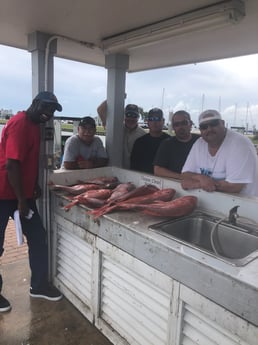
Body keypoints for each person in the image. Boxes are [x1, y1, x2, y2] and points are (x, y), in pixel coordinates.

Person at [0, 91, 63, 313]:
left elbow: (30, 161)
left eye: (53, 111)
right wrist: (21, 200)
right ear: (35, 104)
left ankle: (38, 286)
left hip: (22, 194)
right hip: (4, 193)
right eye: (46, 107)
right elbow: (12, 165)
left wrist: (33, 184)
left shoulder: (36, 125)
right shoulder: (19, 124)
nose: (49, 113)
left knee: (38, 236)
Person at [181, 109, 258, 196]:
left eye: (214, 124)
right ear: (200, 130)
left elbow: (234, 187)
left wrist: (197, 184)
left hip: (245, 204)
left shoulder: (240, 144)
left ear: (223, 123)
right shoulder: (200, 143)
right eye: (204, 126)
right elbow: (185, 174)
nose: (209, 129)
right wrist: (200, 177)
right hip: (217, 201)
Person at [97, 100, 145, 169]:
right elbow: (100, 110)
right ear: (124, 116)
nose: (131, 118)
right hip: (114, 169)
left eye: (134, 116)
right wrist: (121, 96)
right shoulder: (115, 128)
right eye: (128, 115)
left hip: (134, 171)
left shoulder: (143, 134)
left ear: (138, 118)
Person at [154, 110, 200, 179]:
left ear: (190, 124)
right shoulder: (167, 144)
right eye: (177, 124)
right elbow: (158, 170)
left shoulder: (201, 141)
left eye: (184, 123)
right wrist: (182, 177)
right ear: (173, 127)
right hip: (175, 184)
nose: (181, 127)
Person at [130, 107, 170, 174]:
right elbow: (133, 167)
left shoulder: (170, 142)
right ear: (147, 122)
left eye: (157, 119)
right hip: (142, 180)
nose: (154, 122)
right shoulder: (139, 142)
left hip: (166, 181)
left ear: (163, 121)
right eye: (151, 119)